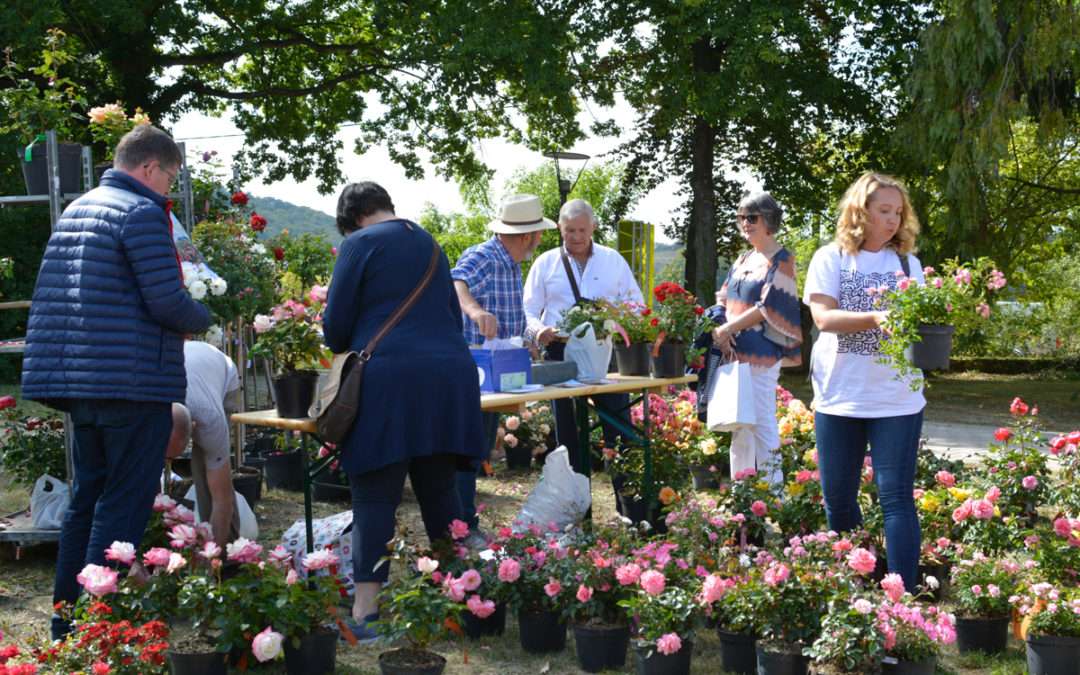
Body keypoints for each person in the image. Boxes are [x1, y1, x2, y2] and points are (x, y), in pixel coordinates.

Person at [21, 125, 211, 639]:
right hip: (130, 380)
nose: (170, 188)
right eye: (170, 177)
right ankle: (98, 627)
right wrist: (206, 312)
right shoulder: (143, 212)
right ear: (150, 168)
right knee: (121, 506)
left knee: (87, 499)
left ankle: (67, 621)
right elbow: (167, 302)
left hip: (81, 380)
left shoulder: (77, 209)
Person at [322, 181, 484, 640]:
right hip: (450, 377)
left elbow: (336, 329)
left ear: (352, 219)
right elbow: (452, 319)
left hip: (391, 381)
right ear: (387, 207)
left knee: (375, 493)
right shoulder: (429, 242)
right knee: (439, 490)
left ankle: (366, 613)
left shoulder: (358, 245)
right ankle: (459, 599)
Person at [803, 171, 926, 591]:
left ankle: (903, 596)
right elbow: (823, 318)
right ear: (861, 212)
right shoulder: (831, 259)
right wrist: (876, 317)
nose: (892, 221)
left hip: (897, 399)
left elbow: (920, 325)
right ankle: (859, 583)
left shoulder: (908, 264)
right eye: (883, 211)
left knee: (896, 498)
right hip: (840, 397)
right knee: (838, 498)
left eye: (898, 212)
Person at [450, 193, 553, 533]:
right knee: (467, 450)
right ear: (528, 235)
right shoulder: (485, 255)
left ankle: (465, 523)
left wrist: (529, 342)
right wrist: (475, 311)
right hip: (472, 371)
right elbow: (455, 283)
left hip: (495, 373)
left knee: (477, 447)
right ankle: (462, 525)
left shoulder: (511, 264)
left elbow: (511, 315)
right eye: (537, 236)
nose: (537, 243)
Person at [522, 199, 643, 483]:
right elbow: (527, 309)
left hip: (605, 352)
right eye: (569, 231)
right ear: (560, 229)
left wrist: (616, 315)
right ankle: (575, 506)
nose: (576, 237)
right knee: (567, 433)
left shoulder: (613, 260)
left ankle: (629, 501)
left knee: (620, 428)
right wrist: (538, 330)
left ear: (593, 227)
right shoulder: (546, 263)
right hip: (559, 352)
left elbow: (636, 304)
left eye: (581, 230)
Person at [706, 192, 801, 487]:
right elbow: (722, 297)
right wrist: (719, 329)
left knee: (762, 425)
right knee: (739, 428)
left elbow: (768, 307)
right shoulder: (743, 257)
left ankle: (775, 497)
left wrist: (727, 330)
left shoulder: (782, 259)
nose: (745, 223)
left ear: (769, 220)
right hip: (733, 354)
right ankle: (742, 498)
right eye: (741, 217)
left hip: (761, 356)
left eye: (752, 217)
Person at [181, 340, 242, 547]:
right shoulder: (149, 412)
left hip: (224, 373)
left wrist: (212, 559)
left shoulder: (210, 418)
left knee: (207, 471)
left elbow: (222, 499)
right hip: (191, 373)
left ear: (194, 426)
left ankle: (230, 551)